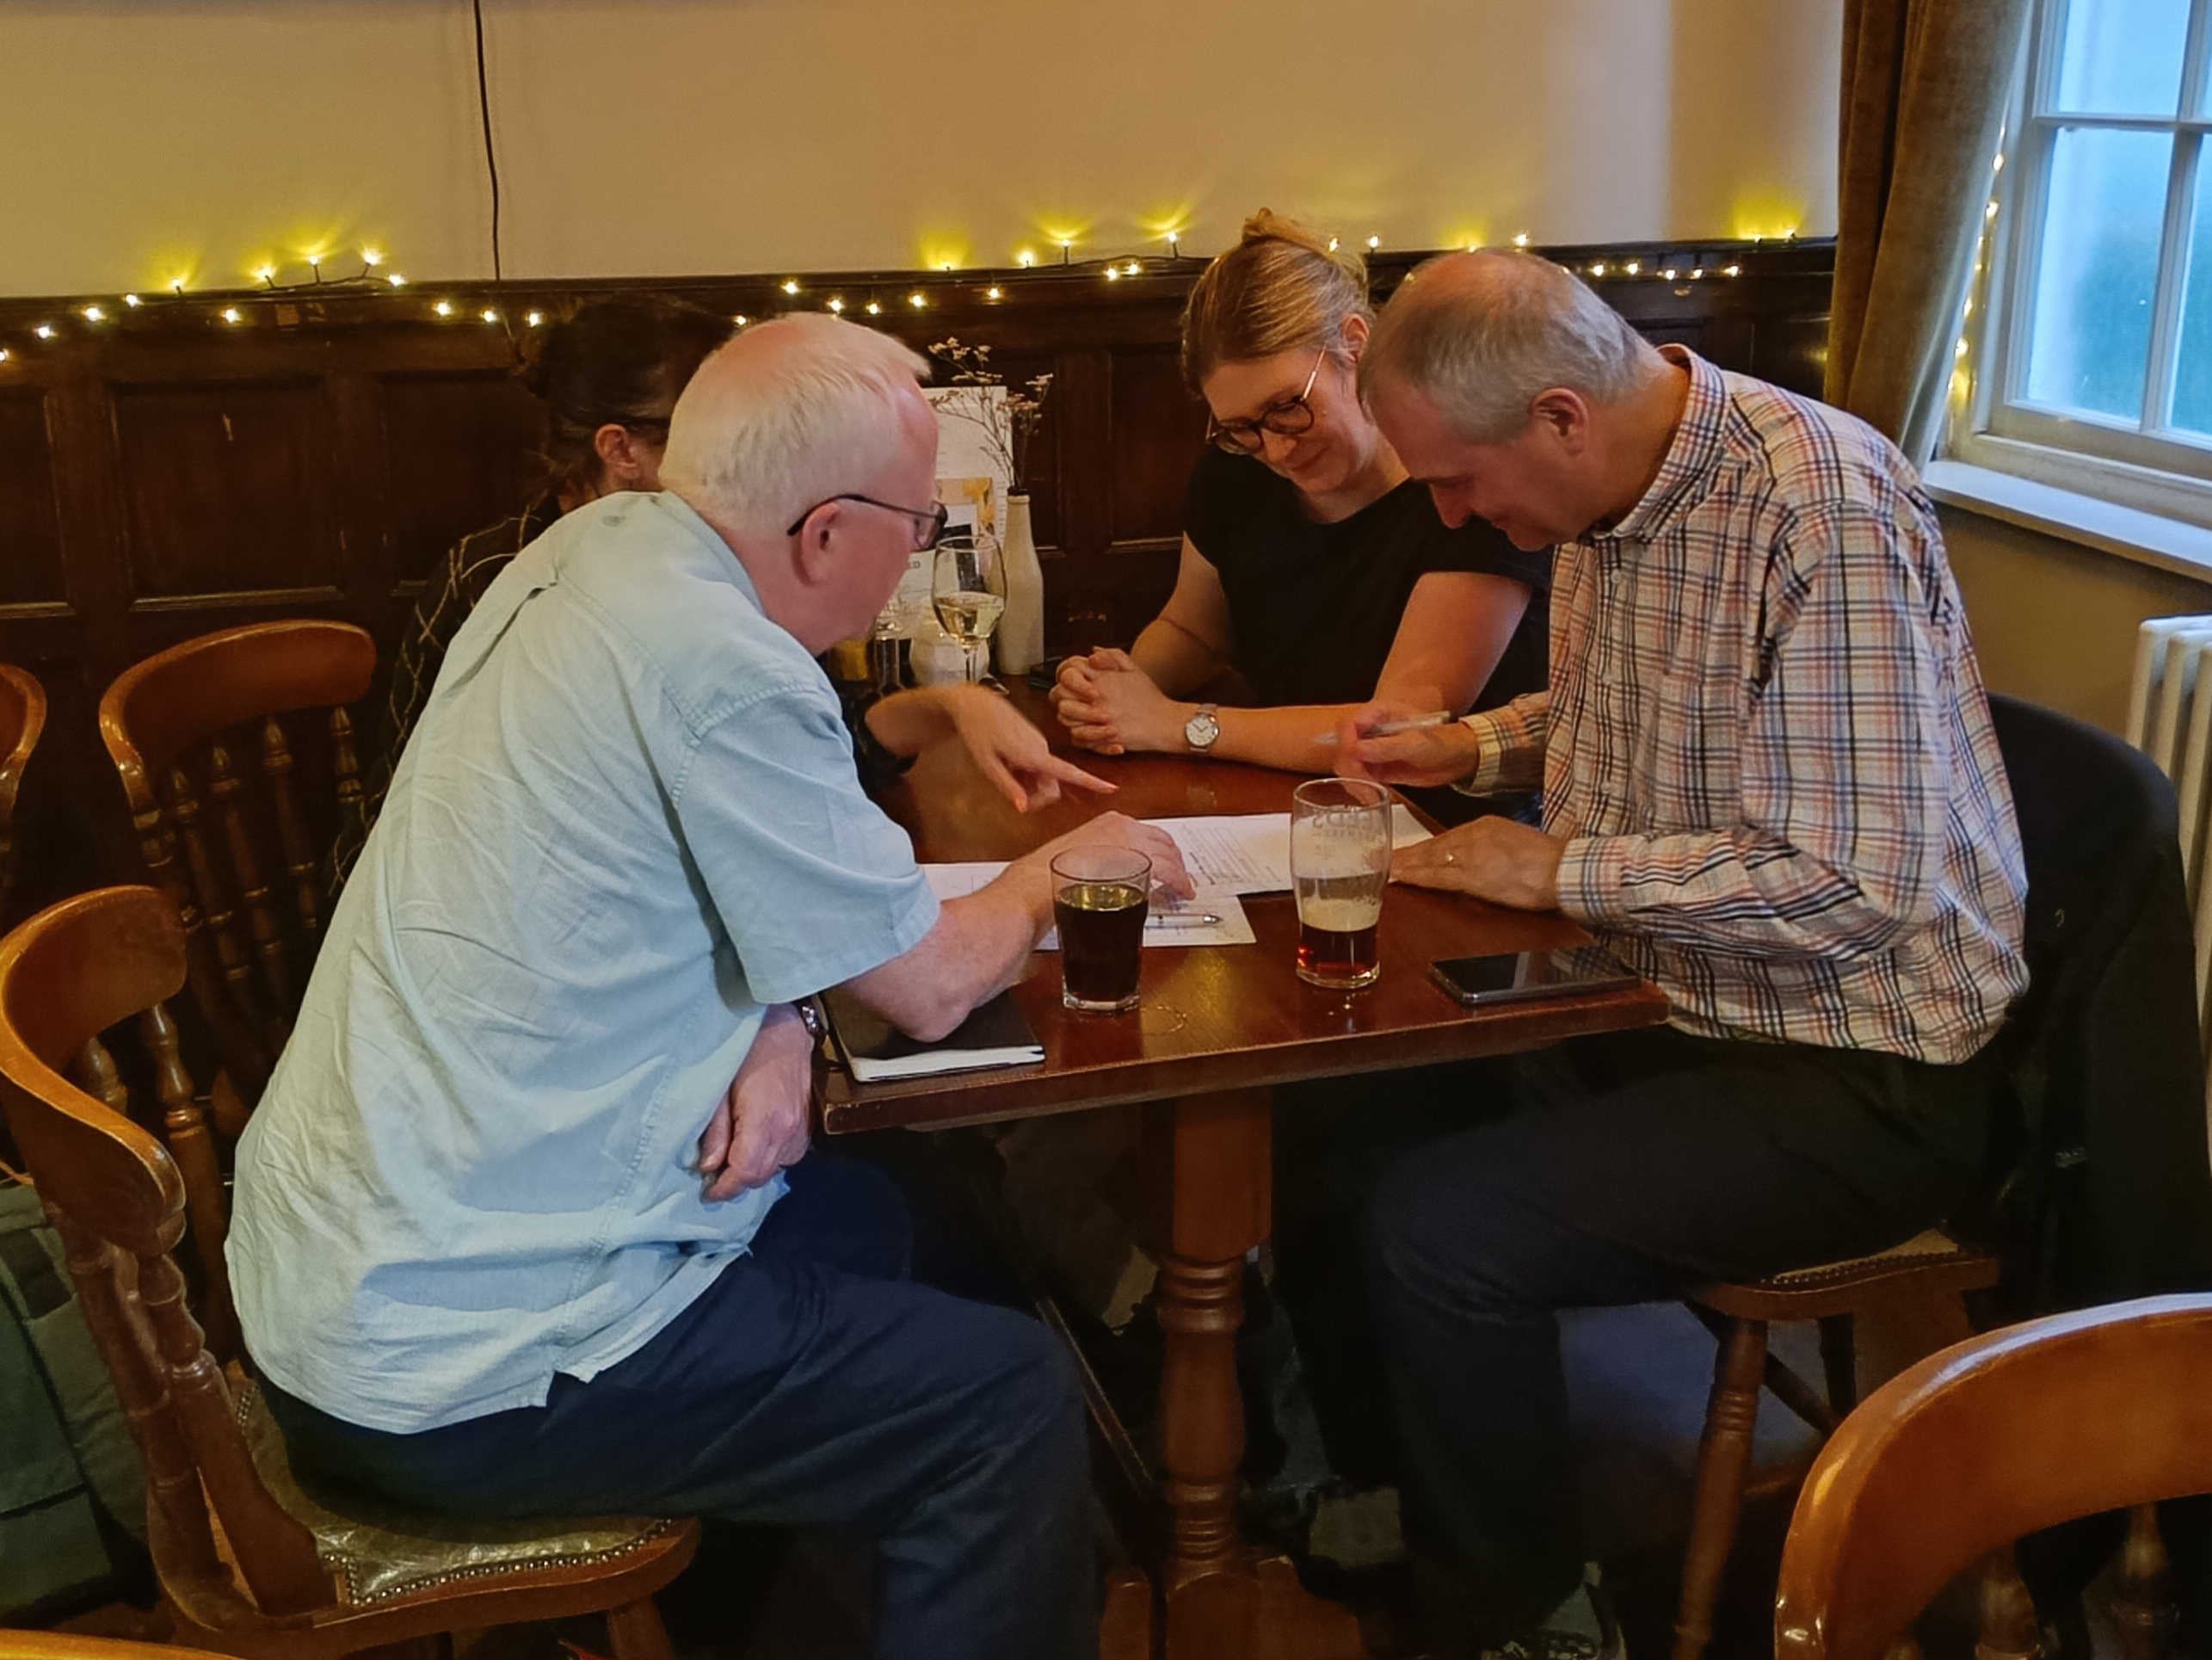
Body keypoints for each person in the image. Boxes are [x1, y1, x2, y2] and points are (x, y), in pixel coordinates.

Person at [229, 312, 1192, 1660]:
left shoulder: (583, 553)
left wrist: (779, 1022)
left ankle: (715, 1620)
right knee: (1001, 1401)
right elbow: (922, 988)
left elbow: (700, 892)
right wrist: (1061, 872)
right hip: (461, 1367)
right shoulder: (729, 667)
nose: (918, 551)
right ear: (825, 533)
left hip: (337, 1283)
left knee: (883, 1213)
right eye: (918, 524)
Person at [1337, 252, 2030, 1657]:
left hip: (1855, 1059)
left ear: (1558, 417)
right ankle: (1401, 1485)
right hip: (1675, 991)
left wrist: (1557, 868)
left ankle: (1526, 1620)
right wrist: (1471, 747)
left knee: (1439, 1229)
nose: (1452, 516)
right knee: (1349, 1117)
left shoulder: (1817, 503)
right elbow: (1622, 711)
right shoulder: (1610, 491)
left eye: (1459, 481)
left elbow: (1852, 886)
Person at [1049, 212, 1547, 786]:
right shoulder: (1234, 469)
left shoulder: (1462, 485)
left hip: (1442, 814)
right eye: (1241, 427)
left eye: (1288, 407)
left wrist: (1177, 724)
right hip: (1283, 794)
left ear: (1355, 344)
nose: (1276, 448)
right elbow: (1194, 631)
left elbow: (1395, 728)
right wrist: (1115, 690)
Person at [333, 293, 736, 889]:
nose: (741, 455)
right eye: (715, 432)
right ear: (620, 449)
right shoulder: (491, 577)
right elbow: (421, 804)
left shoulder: (708, 556)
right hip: (477, 893)